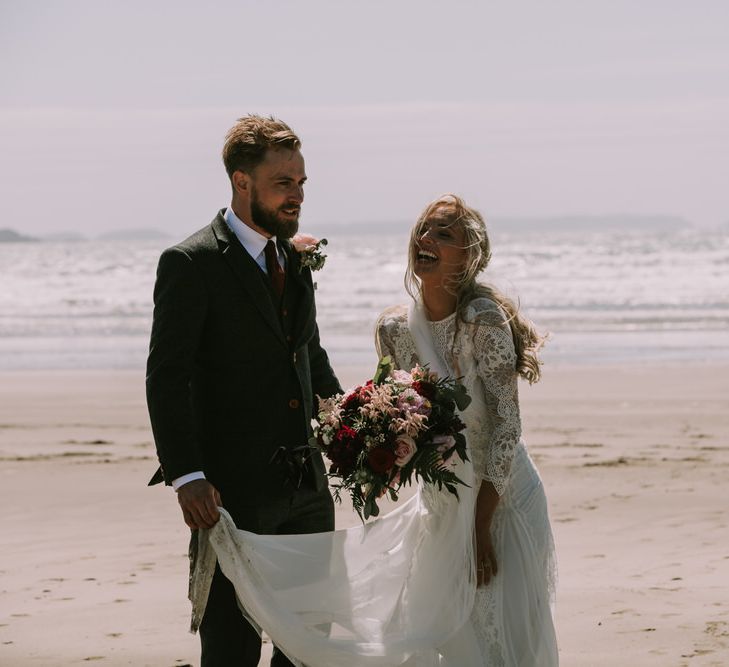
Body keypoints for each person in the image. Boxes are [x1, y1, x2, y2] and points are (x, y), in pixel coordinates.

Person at [146, 114, 341, 667]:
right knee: (231, 649)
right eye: (284, 183)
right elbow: (167, 378)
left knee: (308, 647)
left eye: (302, 183)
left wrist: (356, 427)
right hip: (230, 497)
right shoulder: (191, 263)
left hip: (308, 489)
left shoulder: (296, 259)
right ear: (241, 182)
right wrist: (187, 476)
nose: (297, 196)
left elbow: (310, 358)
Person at [375, 193, 559, 664]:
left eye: (444, 233)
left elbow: (506, 428)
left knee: (503, 634)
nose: (427, 238)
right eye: (424, 229)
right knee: (444, 633)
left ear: (469, 256)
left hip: (503, 499)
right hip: (443, 506)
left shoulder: (482, 321)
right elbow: (404, 417)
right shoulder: (394, 330)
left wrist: (478, 527)